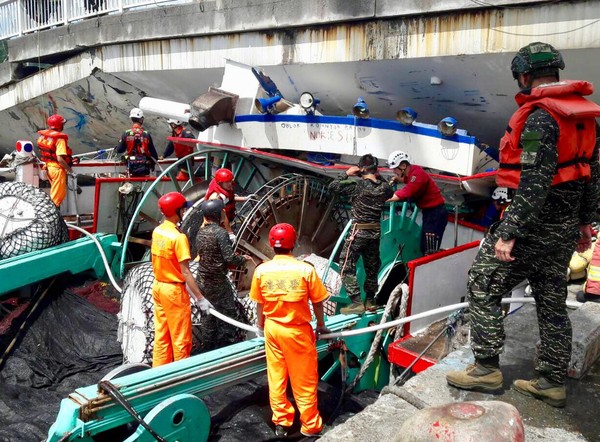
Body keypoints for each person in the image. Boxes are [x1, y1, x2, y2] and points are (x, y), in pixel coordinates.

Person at [446, 42, 600, 408]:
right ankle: (550, 380)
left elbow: (534, 184)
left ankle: (485, 368)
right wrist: (584, 223)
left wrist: (510, 233)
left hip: (533, 226)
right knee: (551, 301)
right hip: (564, 229)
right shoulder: (586, 119)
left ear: (524, 76)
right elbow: (592, 177)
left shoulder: (541, 118)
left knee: (482, 283)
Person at [249, 223, 330, 438]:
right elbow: (318, 302)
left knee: (276, 376)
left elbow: (258, 303)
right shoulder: (305, 270)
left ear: (272, 245)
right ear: (293, 244)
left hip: (272, 329)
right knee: (304, 379)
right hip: (297, 331)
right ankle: (311, 425)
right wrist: (321, 326)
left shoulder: (261, 270)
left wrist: (259, 326)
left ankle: (282, 422)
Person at [151, 192, 213, 367]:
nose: (185, 212)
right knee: (181, 340)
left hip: (158, 286)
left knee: (162, 336)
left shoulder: (158, 232)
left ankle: (157, 377)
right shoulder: (178, 238)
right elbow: (185, 272)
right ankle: (180, 380)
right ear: (176, 211)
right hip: (173, 291)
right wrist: (200, 298)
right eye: (183, 209)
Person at [329, 154, 393, 315]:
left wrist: (346, 173)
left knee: (345, 264)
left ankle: (357, 302)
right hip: (375, 232)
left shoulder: (357, 186)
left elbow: (332, 186)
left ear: (361, 168)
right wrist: (376, 176)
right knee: (371, 267)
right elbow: (390, 191)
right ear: (376, 169)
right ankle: (370, 301)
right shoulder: (384, 188)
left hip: (358, 232)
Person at [195, 199, 254, 351]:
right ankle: (226, 348)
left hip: (202, 280)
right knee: (228, 315)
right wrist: (243, 260)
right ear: (217, 214)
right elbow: (229, 258)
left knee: (208, 316)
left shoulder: (200, 231)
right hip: (218, 281)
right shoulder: (220, 233)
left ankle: (207, 347)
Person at [387, 150, 448, 255]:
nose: (394, 172)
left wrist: (380, 198)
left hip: (435, 214)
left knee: (429, 248)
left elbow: (406, 192)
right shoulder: (414, 171)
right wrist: (397, 179)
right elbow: (408, 180)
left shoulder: (417, 175)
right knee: (426, 245)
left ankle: (429, 268)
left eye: (395, 169)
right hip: (431, 212)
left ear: (403, 166)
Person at [37, 114, 73, 207]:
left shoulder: (45, 136)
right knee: (57, 198)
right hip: (57, 170)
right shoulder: (60, 139)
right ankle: (53, 217)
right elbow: (60, 159)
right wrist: (70, 170)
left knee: (55, 193)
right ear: (60, 126)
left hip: (49, 167)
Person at [205, 167, 251, 236]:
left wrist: (246, 198)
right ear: (220, 183)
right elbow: (223, 216)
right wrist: (230, 233)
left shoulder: (226, 187)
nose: (230, 184)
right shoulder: (215, 197)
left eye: (230, 181)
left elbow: (231, 199)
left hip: (228, 218)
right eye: (227, 182)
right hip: (219, 225)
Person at [116, 108, 158, 177]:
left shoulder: (126, 133)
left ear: (132, 119)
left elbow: (120, 150)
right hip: (145, 167)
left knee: (124, 157)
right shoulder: (146, 134)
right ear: (141, 119)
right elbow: (154, 155)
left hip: (131, 167)